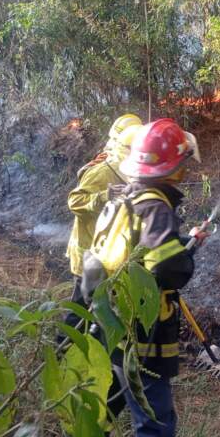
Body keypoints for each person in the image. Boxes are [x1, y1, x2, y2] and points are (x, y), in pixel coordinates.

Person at [90, 118, 202, 437]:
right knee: (155, 425)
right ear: (174, 167)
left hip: (111, 326)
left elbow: (136, 255)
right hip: (144, 337)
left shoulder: (126, 199)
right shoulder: (156, 207)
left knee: (102, 412)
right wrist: (186, 257)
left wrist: (183, 242)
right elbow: (166, 268)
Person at [62, 113, 142, 332]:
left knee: (104, 309)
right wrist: (103, 197)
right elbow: (74, 201)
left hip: (111, 254)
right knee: (81, 308)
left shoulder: (130, 171)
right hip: (89, 253)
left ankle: (98, 349)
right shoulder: (102, 170)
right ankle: (64, 349)